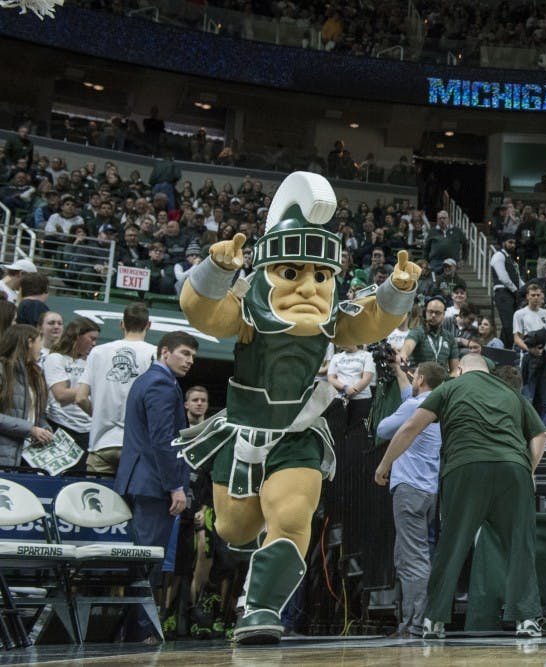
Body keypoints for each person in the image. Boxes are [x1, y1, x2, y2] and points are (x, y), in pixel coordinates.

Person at [175, 172, 419, 644]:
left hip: (299, 432)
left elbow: (371, 322)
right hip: (244, 431)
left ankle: (259, 610)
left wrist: (397, 289)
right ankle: (238, 550)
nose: (309, 286)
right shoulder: (246, 313)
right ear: (265, 273)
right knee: (235, 527)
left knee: (291, 517)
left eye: (321, 275)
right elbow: (202, 312)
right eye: (293, 272)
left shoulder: (331, 322)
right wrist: (216, 269)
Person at [374, 353, 546, 640]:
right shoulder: (510, 392)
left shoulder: (449, 388)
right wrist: (525, 469)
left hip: (465, 467)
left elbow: (410, 427)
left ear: (460, 369)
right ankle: (526, 619)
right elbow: (540, 435)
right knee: (520, 545)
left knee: (452, 544)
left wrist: (384, 465)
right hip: (513, 469)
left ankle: (434, 621)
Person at [114, 331, 198, 644]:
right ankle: (140, 631)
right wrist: (175, 486)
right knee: (147, 562)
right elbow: (163, 441)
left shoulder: (145, 380)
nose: (189, 361)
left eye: (192, 356)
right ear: (165, 352)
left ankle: (134, 629)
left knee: (143, 560)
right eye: (184, 353)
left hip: (140, 480)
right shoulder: (162, 384)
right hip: (152, 484)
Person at [375, 359, 446, 638]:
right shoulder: (435, 405)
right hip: (428, 491)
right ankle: (413, 621)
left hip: (409, 489)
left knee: (412, 558)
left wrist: (383, 465)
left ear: (421, 380)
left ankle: (417, 622)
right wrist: (398, 370)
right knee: (409, 556)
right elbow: (409, 396)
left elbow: (383, 429)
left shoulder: (412, 408)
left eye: (414, 377)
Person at [76, 302, 157, 475]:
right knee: (130, 501)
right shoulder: (155, 354)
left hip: (101, 443)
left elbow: (80, 398)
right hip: (137, 444)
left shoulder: (97, 352)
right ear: (148, 325)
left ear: (122, 324)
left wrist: (99, 414)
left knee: (97, 498)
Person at [41, 317, 100, 469]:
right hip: (61, 426)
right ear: (77, 336)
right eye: (91, 338)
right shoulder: (56, 358)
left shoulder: (92, 362)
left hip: (87, 429)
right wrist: (91, 387)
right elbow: (60, 394)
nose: (94, 344)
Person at [0, 324, 54, 467]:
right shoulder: (2, 369)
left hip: (27, 457)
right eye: (39, 343)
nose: (41, 349)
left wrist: (44, 429)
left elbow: (38, 414)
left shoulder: (37, 374)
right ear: (29, 342)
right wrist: (30, 429)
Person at [513, 283, 546, 434]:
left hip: (544, 358)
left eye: (538, 295)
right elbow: (517, 338)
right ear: (527, 296)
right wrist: (530, 350)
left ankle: (544, 437)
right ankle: (526, 435)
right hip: (528, 358)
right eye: (532, 295)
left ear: (542, 297)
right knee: (527, 399)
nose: (535, 298)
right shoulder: (520, 314)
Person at [401, 296, 459, 375]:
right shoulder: (417, 332)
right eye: (430, 312)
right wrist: (404, 354)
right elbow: (407, 347)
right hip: (420, 381)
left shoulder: (449, 337)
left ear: (443, 314)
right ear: (425, 312)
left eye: (437, 313)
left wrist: (448, 384)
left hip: (443, 383)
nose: (433, 315)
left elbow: (455, 370)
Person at [327, 343, 376, 431]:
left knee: (358, 430)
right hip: (340, 398)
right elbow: (331, 378)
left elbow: (367, 378)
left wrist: (354, 391)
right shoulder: (336, 357)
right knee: (338, 429)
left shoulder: (367, 355)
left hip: (361, 398)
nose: (343, 343)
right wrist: (345, 388)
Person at [490, 233, 523, 348]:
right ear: (503, 243)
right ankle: (511, 349)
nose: (513, 245)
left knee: (508, 325)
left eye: (514, 243)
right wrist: (516, 290)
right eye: (510, 242)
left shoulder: (511, 260)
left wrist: (525, 289)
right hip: (503, 293)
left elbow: (518, 279)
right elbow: (503, 277)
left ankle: (501, 349)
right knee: (509, 325)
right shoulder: (498, 256)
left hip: (512, 294)